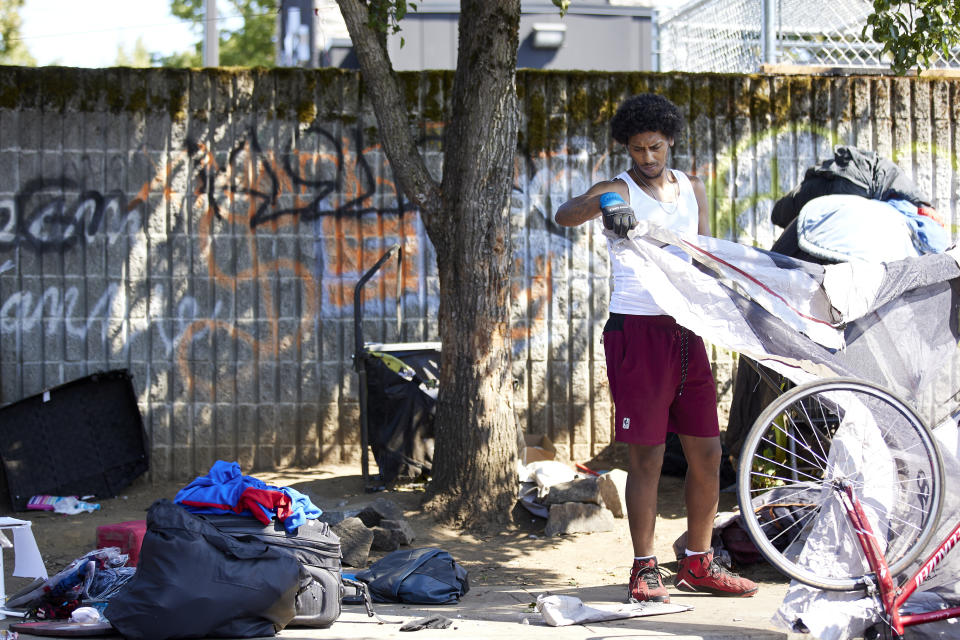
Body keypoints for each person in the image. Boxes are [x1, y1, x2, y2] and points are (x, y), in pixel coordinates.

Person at [554, 93, 758, 603]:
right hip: (637, 333)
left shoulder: (691, 188)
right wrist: (605, 203)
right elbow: (564, 213)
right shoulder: (617, 187)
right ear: (626, 147)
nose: (646, 157)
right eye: (637, 149)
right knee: (644, 458)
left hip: (688, 329)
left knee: (708, 454)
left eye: (655, 147)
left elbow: (704, 254)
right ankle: (644, 569)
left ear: (670, 140)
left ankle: (698, 562)